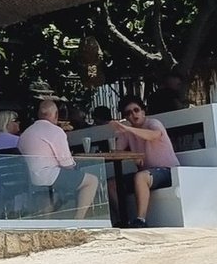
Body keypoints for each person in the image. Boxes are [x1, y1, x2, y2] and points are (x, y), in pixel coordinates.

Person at [17, 98, 100, 219]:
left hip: (32, 180)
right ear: (56, 115)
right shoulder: (56, 131)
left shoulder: (25, 134)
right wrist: (76, 169)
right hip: (51, 177)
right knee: (91, 181)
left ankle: (48, 222)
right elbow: (67, 163)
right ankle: (79, 220)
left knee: (69, 183)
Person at [109, 96, 179, 227]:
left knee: (140, 177)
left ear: (143, 111)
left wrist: (128, 129)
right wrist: (131, 154)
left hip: (167, 171)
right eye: (128, 113)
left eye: (136, 110)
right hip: (146, 174)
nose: (133, 114)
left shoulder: (153, 123)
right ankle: (123, 220)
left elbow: (153, 135)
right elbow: (116, 152)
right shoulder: (128, 132)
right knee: (112, 184)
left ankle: (141, 220)